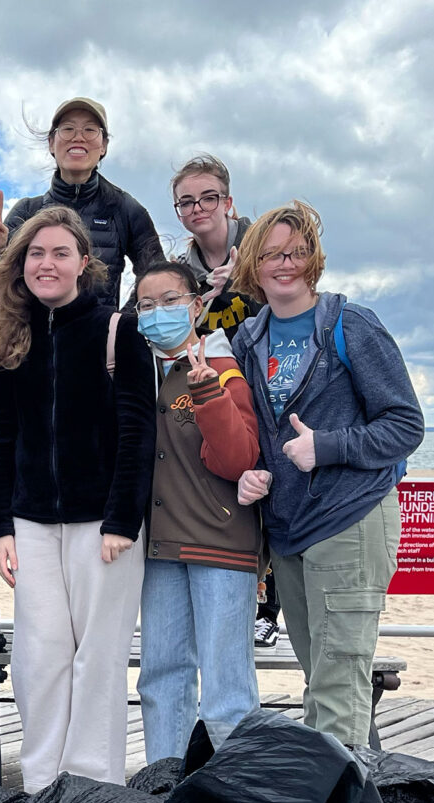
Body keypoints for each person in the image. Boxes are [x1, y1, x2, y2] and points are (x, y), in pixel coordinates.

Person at [233, 201, 424, 748]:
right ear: (254, 264)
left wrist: (329, 447)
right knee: (326, 676)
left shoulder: (351, 324)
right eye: (271, 254)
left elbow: (405, 425)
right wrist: (255, 472)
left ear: (313, 258)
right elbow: (260, 432)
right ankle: (361, 802)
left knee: (338, 681)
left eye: (295, 252)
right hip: (289, 528)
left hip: (351, 519)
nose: (284, 263)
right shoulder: (250, 338)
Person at [0, 205, 155, 790]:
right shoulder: (9, 339)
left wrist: (122, 520)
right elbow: (1, 435)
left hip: (103, 523)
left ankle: (90, 787)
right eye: (35, 253)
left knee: (98, 658)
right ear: (20, 264)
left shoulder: (118, 329)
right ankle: (40, 787)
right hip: (30, 521)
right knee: (40, 656)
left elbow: (138, 430)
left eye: (60, 252)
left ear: (85, 262)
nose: (46, 263)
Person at [132, 262, 262, 763]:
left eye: (169, 301)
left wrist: (208, 392)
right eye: (146, 305)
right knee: (161, 680)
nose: (158, 313)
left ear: (196, 304)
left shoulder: (225, 369)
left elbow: (237, 460)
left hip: (221, 547)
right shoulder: (137, 373)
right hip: (160, 548)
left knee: (227, 693)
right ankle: (165, 793)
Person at [168, 154, 280, 647]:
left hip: (273, 387)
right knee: (235, 489)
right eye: (187, 201)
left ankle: (268, 604)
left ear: (228, 202)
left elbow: (295, 297)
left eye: (208, 197)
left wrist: (243, 286)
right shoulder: (182, 270)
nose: (198, 208)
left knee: (272, 488)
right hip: (220, 391)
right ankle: (254, 595)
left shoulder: (265, 247)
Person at [0, 97, 162, 310]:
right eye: (67, 129)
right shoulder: (27, 211)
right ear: (51, 143)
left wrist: (121, 324)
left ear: (103, 145)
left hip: (102, 340)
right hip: (35, 341)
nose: (78, 137)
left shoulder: (125, 209)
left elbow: (158, 279)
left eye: (89, 130)